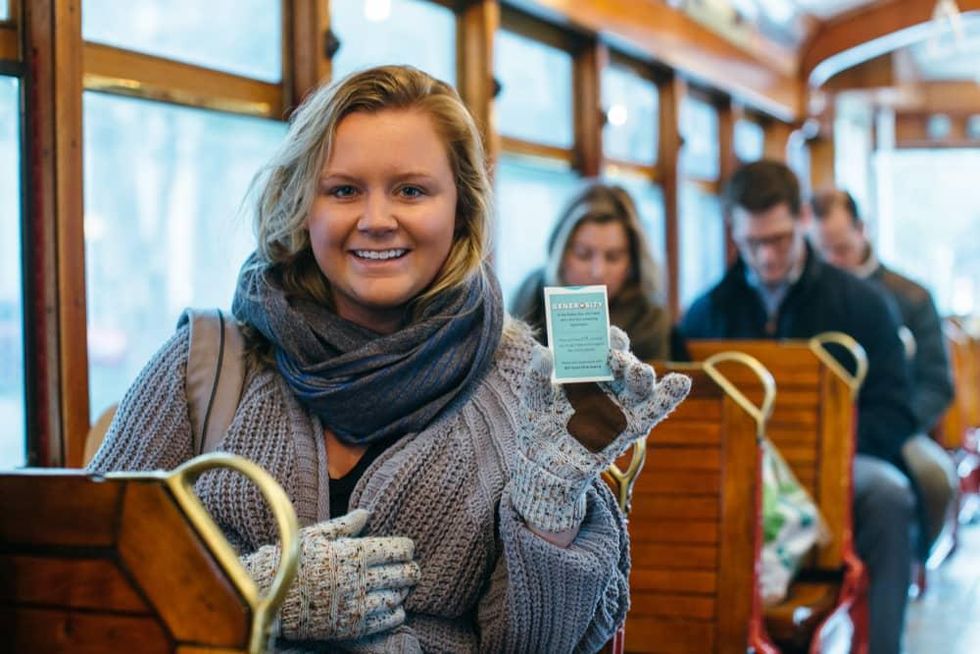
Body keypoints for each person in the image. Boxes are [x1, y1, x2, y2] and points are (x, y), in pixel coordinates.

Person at [87, 65, 690, 653]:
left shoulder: (527, 388)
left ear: (461, 210)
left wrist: (549, 503)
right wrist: (249, 593)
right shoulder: (205, 364)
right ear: (303, 205)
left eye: (411, 190)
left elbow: (539, 645)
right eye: (344, 190)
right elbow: (90, 584)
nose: (376, 220)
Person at [674, 160, 917, 654]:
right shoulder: (708, 312)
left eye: (779, 240)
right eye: (752, 243)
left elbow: (895, 410)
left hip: (840, 464)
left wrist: (826, 457)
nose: (766, 257)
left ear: (803, 218)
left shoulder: (862, 304)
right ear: (734, 233)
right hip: (746, 470)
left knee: (890, 496)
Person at [810, 189, 958, 562]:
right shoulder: (810, 293)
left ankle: (912, 561)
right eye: (823, 250)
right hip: (821, 428)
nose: (832, 261)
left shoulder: (911, 296)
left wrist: (896, 425)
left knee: (934, 478)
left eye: (841, 249)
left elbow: (937, 383)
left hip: (896, 422)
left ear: (862, 230)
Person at [510, 182, 670, 360]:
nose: (598, 271)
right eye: (583, 255)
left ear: (633, 261)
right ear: (560, 254)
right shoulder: (530, 297)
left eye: (613, 257)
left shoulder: (647, 317)